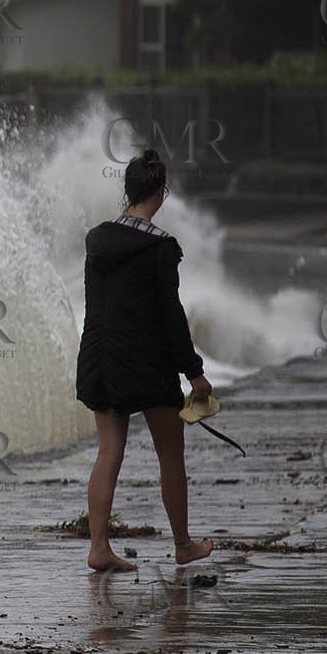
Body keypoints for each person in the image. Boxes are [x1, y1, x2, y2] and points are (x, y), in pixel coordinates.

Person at [76, 148, 213, 571]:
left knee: (108, 451)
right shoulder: (160, 247)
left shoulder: (96, 240)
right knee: (171, 456)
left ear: (128, 190)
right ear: (161, 192)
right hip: (149, 365)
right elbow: (171, 317)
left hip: (101, 359)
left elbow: (96, 306)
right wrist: (196, 374)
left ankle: (99, 547)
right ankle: (183, 545)